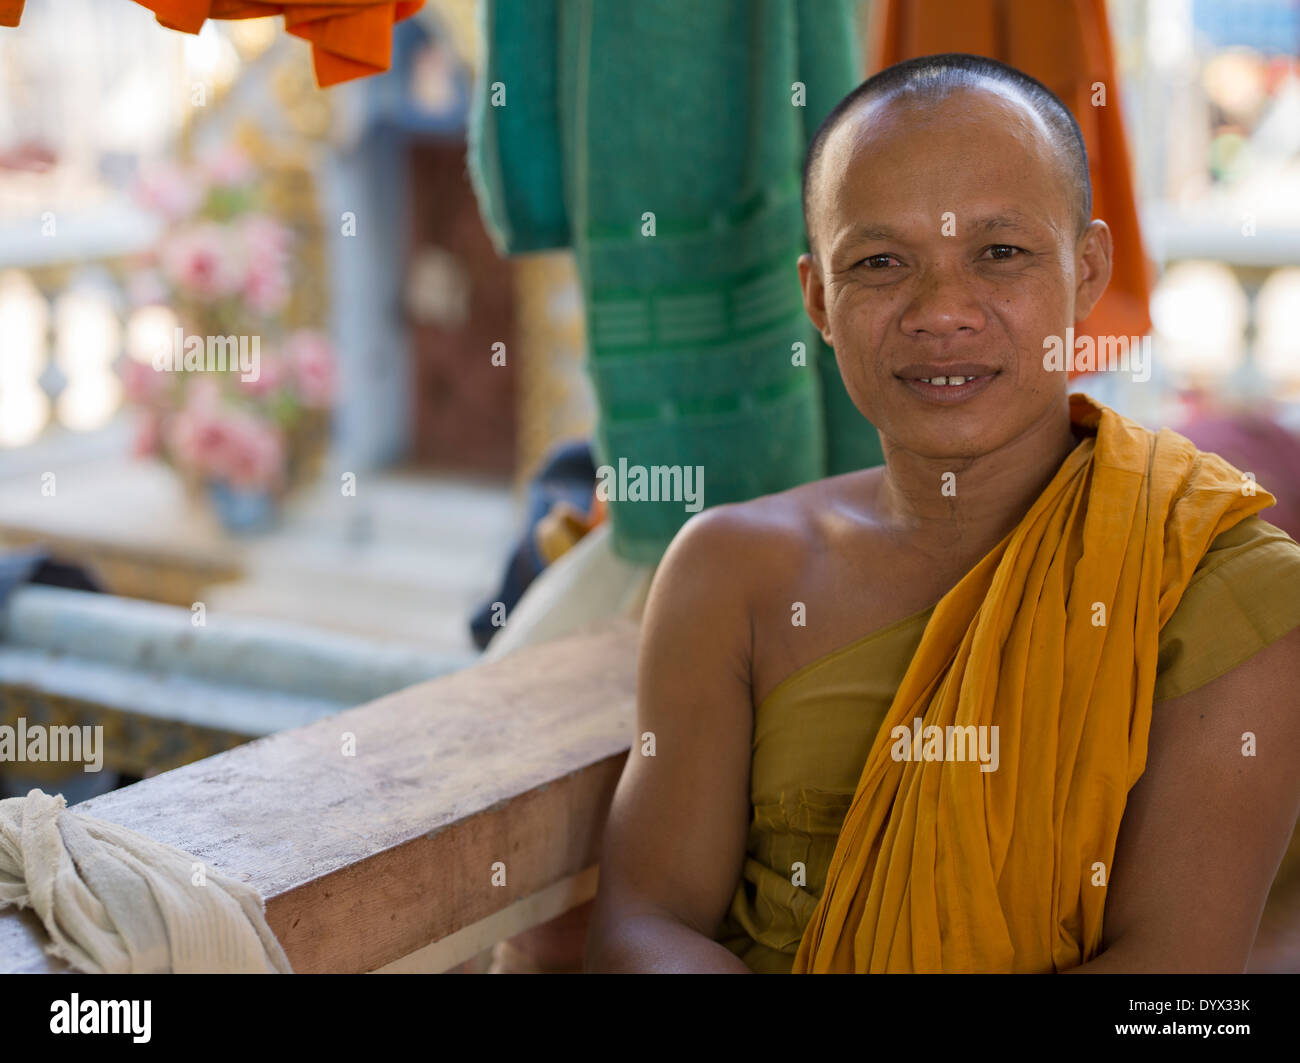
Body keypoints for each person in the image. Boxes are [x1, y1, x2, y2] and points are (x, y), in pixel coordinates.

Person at [585, 54, 1300, 973]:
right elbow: (644, 922)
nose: (942, 312)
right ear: (818, 300)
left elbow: (1175, 998)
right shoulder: (733, 572)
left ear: (1087, 271)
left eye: (1000, 254)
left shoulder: (1221, 583)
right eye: (882, 263)